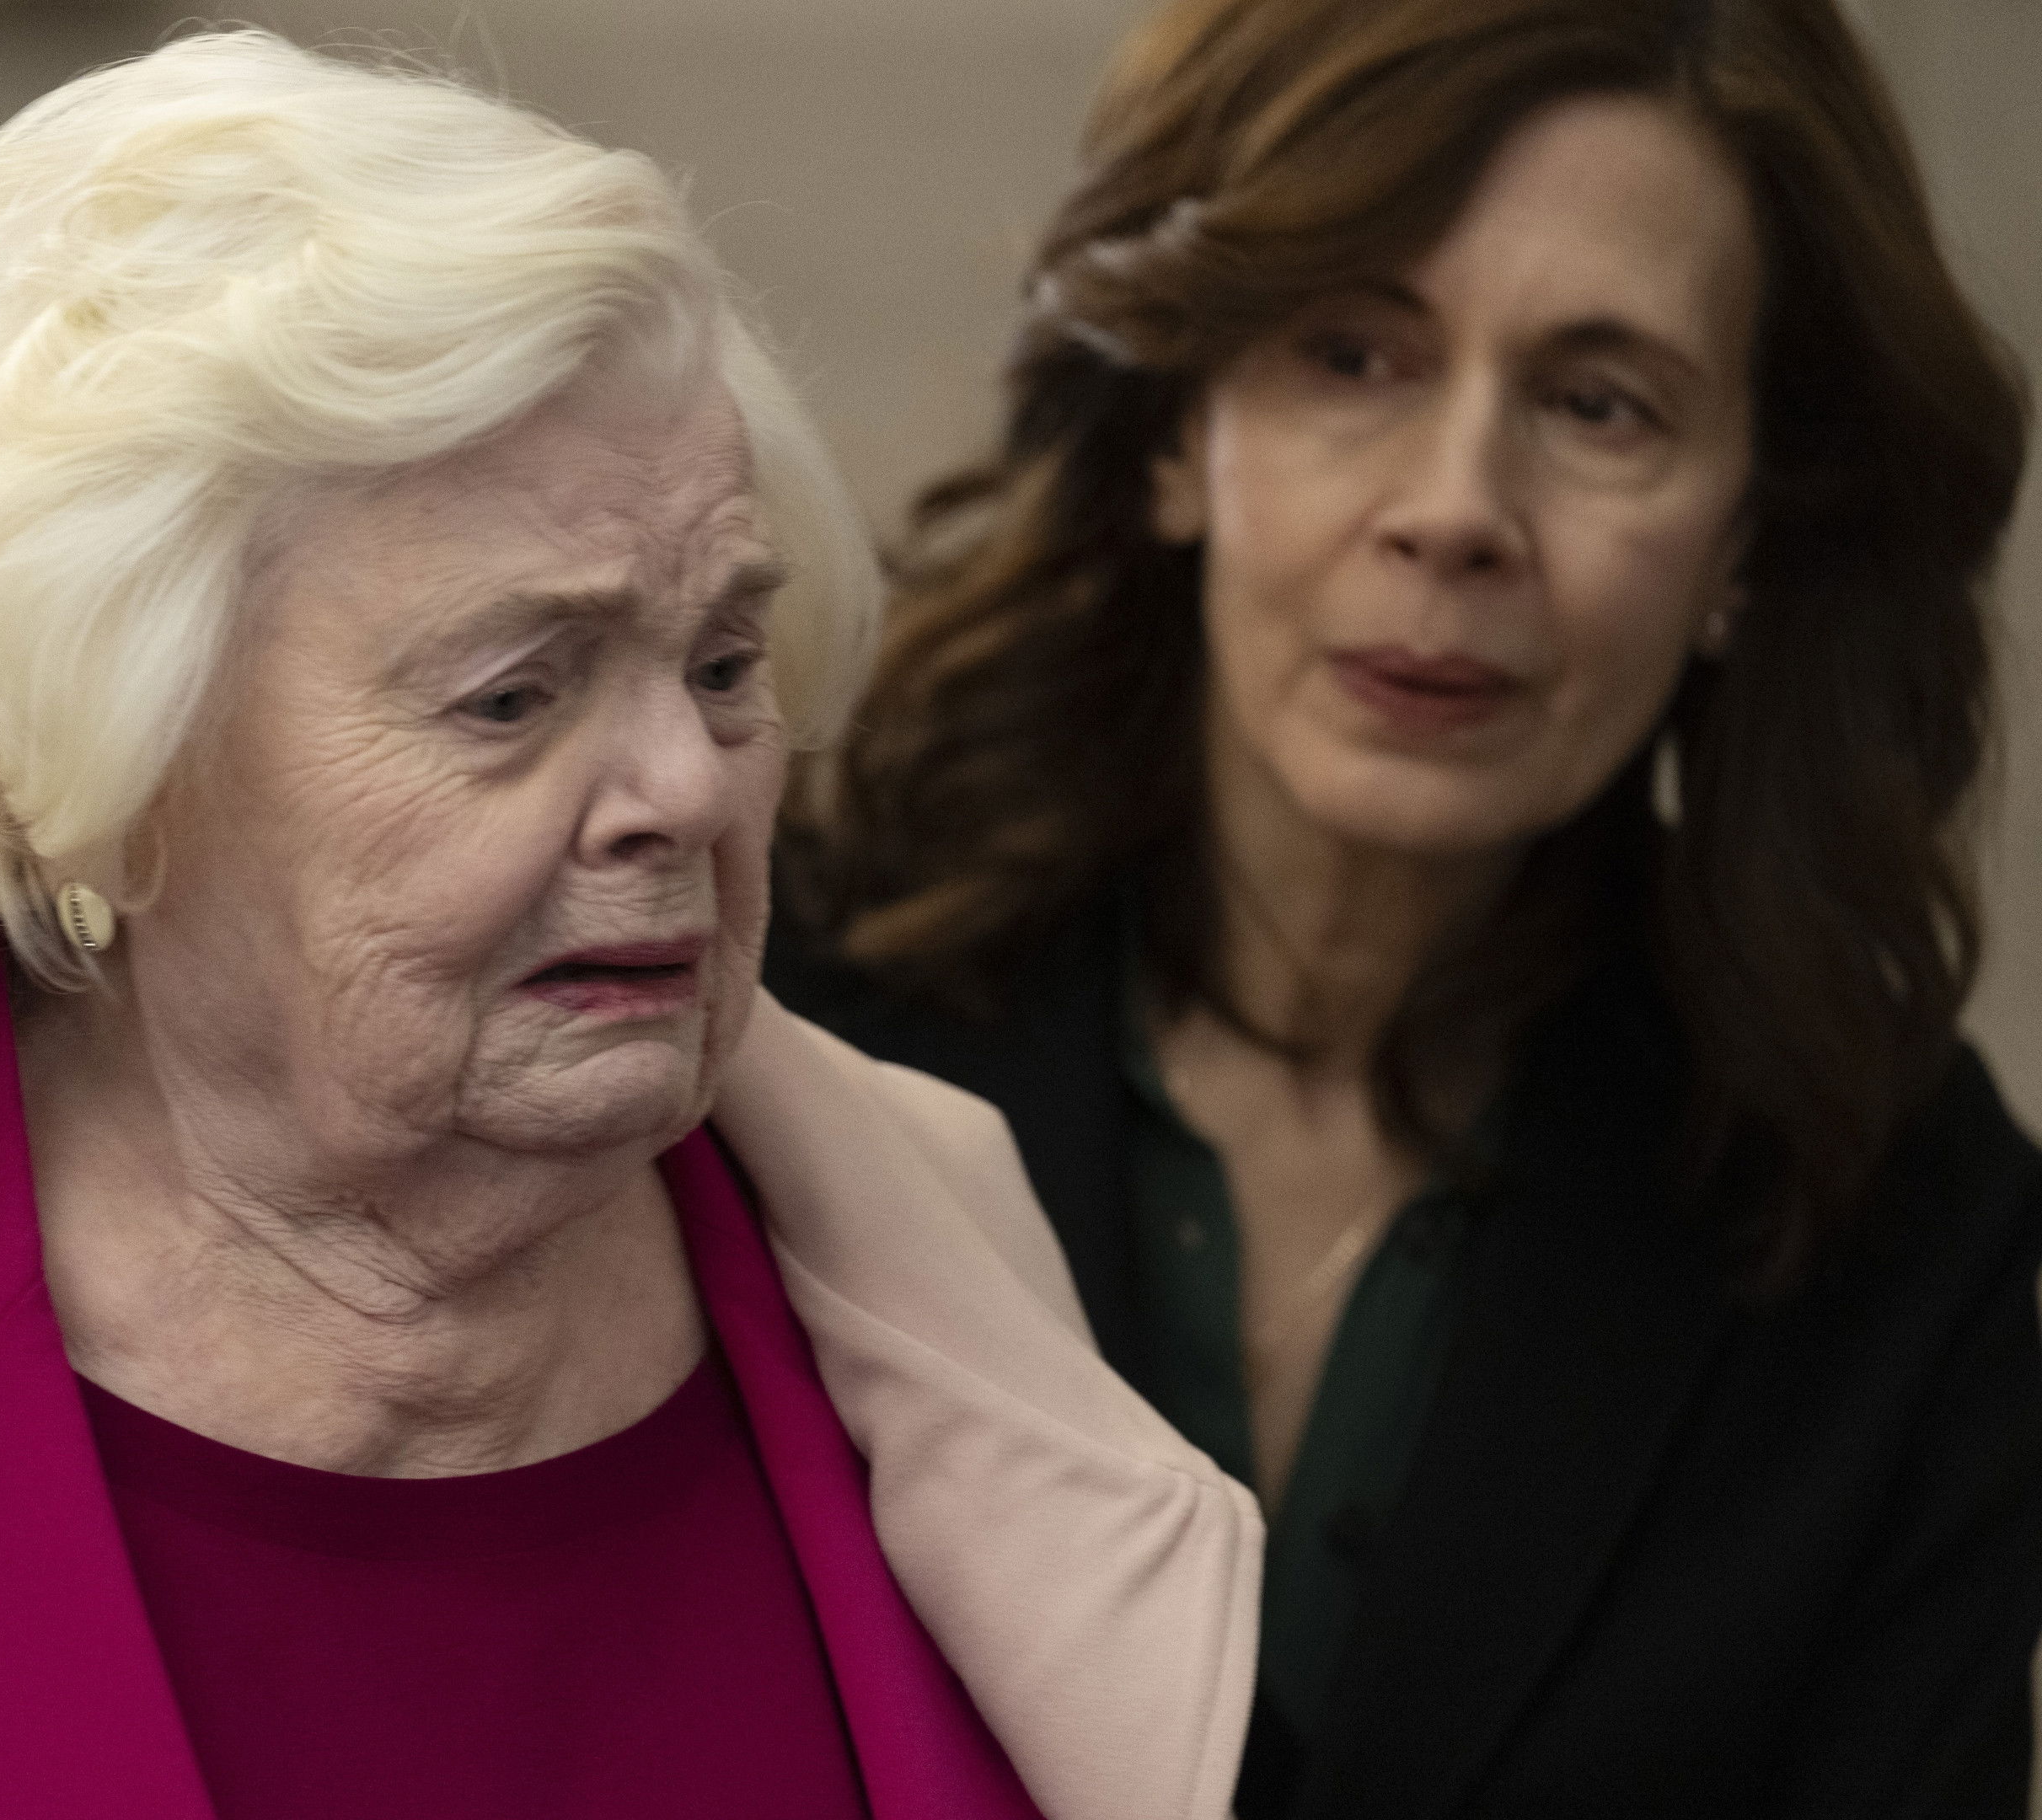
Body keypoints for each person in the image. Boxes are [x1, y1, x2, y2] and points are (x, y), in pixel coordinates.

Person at [0, 32, 1263, 1820]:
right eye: (514, 694)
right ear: (116, 763)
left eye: (722, 665)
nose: (688, 791)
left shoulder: (932, 1265)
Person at [770, 0, 2042, 1814]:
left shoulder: (1905, 1242)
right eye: (1352, 355)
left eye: (1600, 403)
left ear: (1749, 536)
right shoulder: (771, 1024)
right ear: (1176, 425)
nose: (1455, 513)